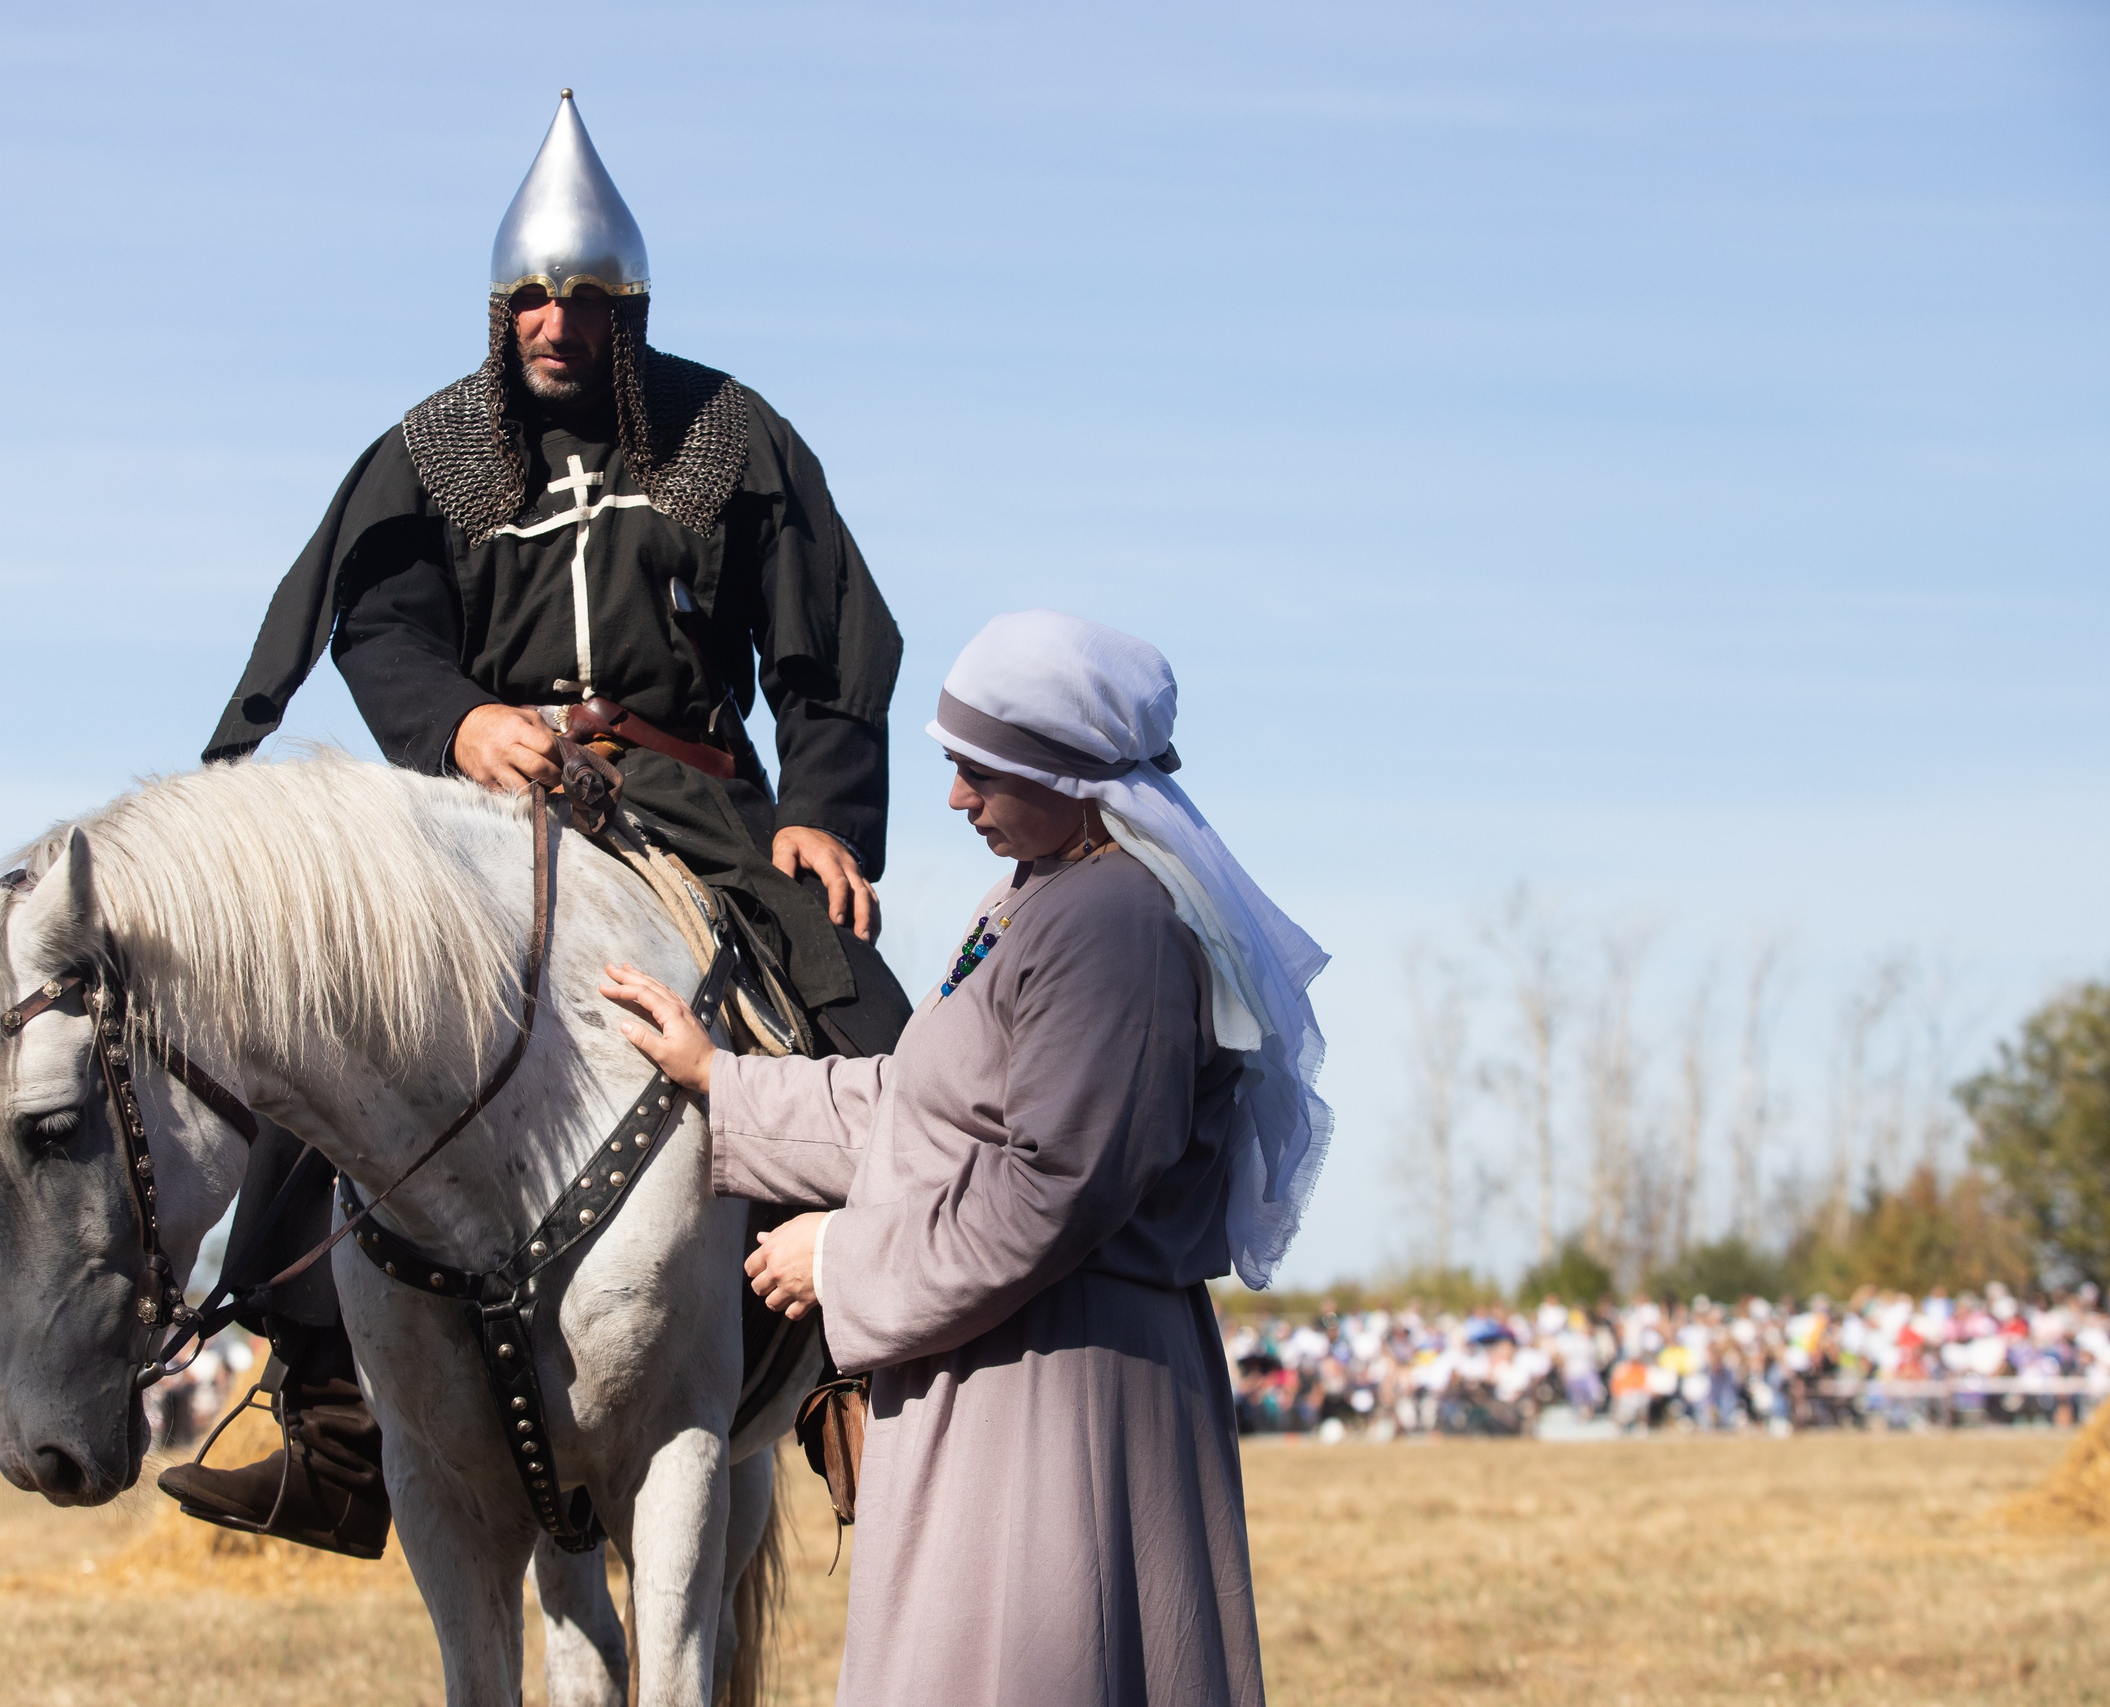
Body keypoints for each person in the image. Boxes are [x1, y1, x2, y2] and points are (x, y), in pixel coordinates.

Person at [162, 91, 912, 1556]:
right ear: (497, 306)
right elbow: (380, 622)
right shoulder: (434, 452)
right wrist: (456, 721)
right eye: (528, 300)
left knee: (856, 1014)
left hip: (690, 801)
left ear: (627, 309)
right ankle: (327, 1416)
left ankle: (857, 1376)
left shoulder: (723, 434)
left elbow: (821, 637)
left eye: (579, 300)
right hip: (487, 818)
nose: (551, 324)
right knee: (342, 1040)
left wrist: (825, 812)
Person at [602, 610, 1333, 1705]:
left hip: (1064, 1395)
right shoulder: (1035, 898)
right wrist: (722, 1078)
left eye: (979, 772)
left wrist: (841, 1258)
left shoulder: (1119, 927)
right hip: (1001, 1362)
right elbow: (919, 1102)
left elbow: (1051, 1189)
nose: (955, 798)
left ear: (1066, 772)